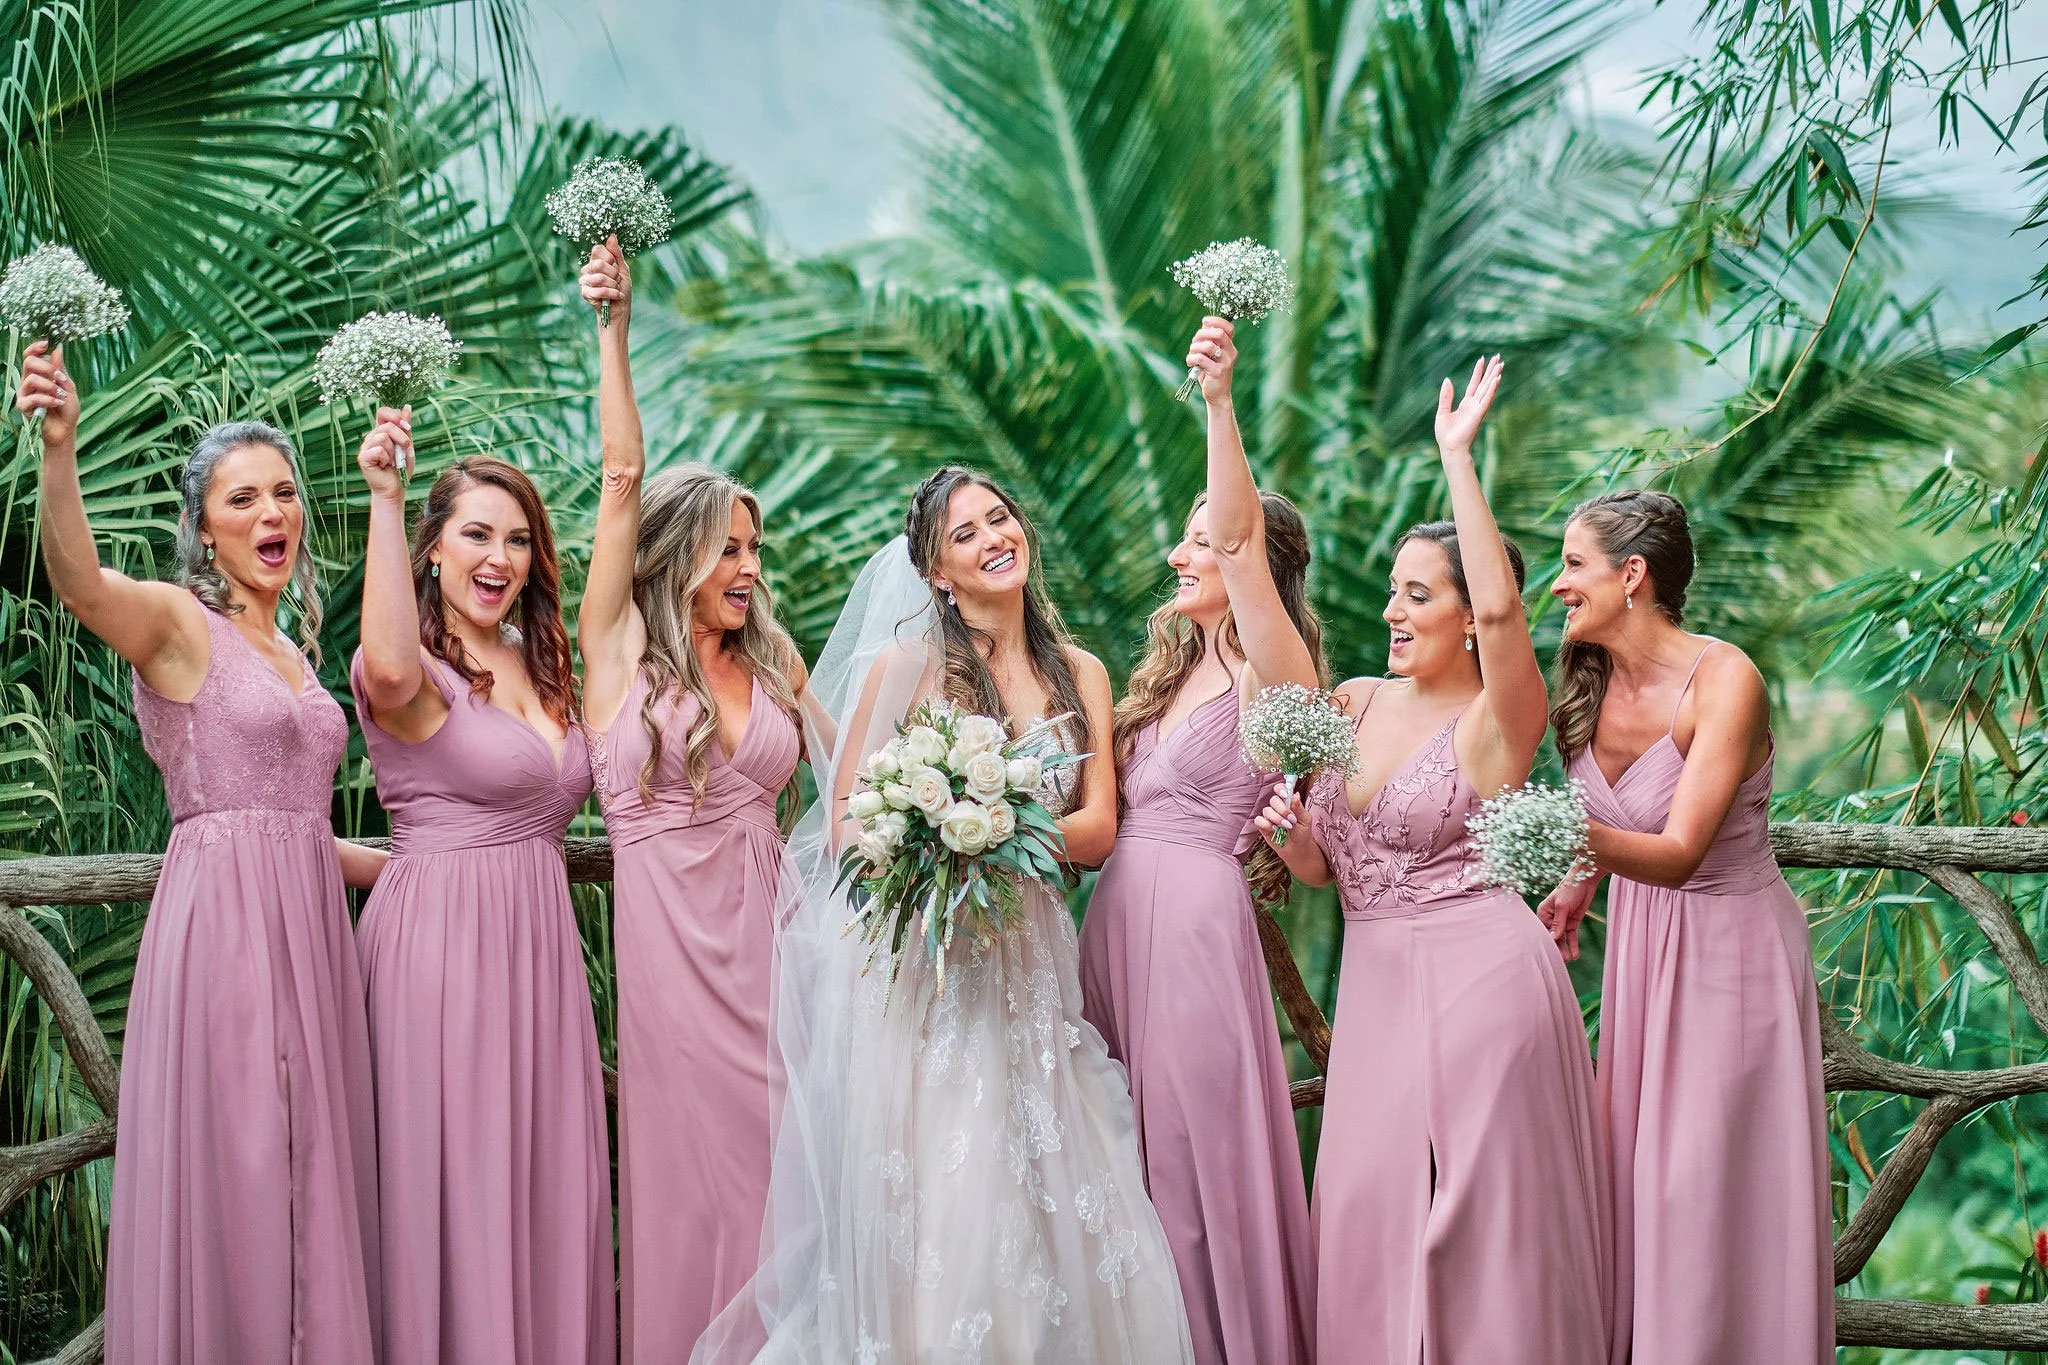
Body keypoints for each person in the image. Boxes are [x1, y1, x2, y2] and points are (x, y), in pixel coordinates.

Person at [695, 468, 1195, 1363]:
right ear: (935, 572)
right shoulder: (908, 668)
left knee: (1052, 1187)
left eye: (999, 518)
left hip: (1033, 968)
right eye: (964, 534)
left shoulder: (1080, 671)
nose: (992, 538)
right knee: (951, 1190)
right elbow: (846, 814)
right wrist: (924, 840)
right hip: (934, 980)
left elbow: (1097, 828)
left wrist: (999, 823)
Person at [19, 341, 383, 1363]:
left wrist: (414, 867)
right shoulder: (182, 624)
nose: (272, 513)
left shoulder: (294, 653)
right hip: (227, 932)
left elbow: (295, 820)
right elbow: (81, 585)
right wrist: (59, 447)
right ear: (205, 531)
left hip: (310, 935)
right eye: (242, 500)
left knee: (308, 1170)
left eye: (283, 493)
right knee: (248, 1166)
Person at [1255, 357, 1613, 1364]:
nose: (1392, 612)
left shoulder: (1500, 720)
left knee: (1485, 1231)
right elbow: (1328, 872)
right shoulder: (1352, 701)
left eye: (1418, 595)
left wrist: (1457, 458)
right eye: (1391, 592)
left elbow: (1507, 618)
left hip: (1483, 986)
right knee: (1368, 1209)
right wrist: (1292, 835)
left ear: (1467, 615)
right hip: (1375, 988)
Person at [576, 239, 811, 1359]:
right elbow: (621, 477)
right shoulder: (616, 649)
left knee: (791, 1172)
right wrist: (615, 330)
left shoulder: (773, 661)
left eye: (754, 549)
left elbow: (854, 771)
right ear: (675, 555)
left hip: (781, 951)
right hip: (673, 963)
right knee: (698, 1183)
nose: (748, 568)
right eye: (727, 549)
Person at [1540, 489, 1833, 1363]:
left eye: (1573, 563)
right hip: (1642, 950)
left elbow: (1677, 852)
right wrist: (1580, 877)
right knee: (1640, 1180)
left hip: (1729, 954)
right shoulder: (1590, 677)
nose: (1557, 584)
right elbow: (1621, 825)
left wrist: (1555, 831)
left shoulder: (1726, 679)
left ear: (1632, 574)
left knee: (1701, 1187)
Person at [1080, 315, 1317, 1364]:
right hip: (1116, 930)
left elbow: (1234, 539)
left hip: (1191, 938)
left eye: (1201, 538)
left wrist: (1219, 404)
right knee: (1118, 1156)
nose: (1180, 553)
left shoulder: (1273, 675)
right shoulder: (1169, 673)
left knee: (1183, 1159)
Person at [351, 421, 614, 1365]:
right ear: (432, 548)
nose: (498, 558)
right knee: (457, 1186)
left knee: (544, 1187)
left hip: (538, 959)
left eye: (517, 539)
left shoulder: (542, 661)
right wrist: (387, 498)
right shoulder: (411, 666)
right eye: (475, 534)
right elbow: (386, 670)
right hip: (443, 959)